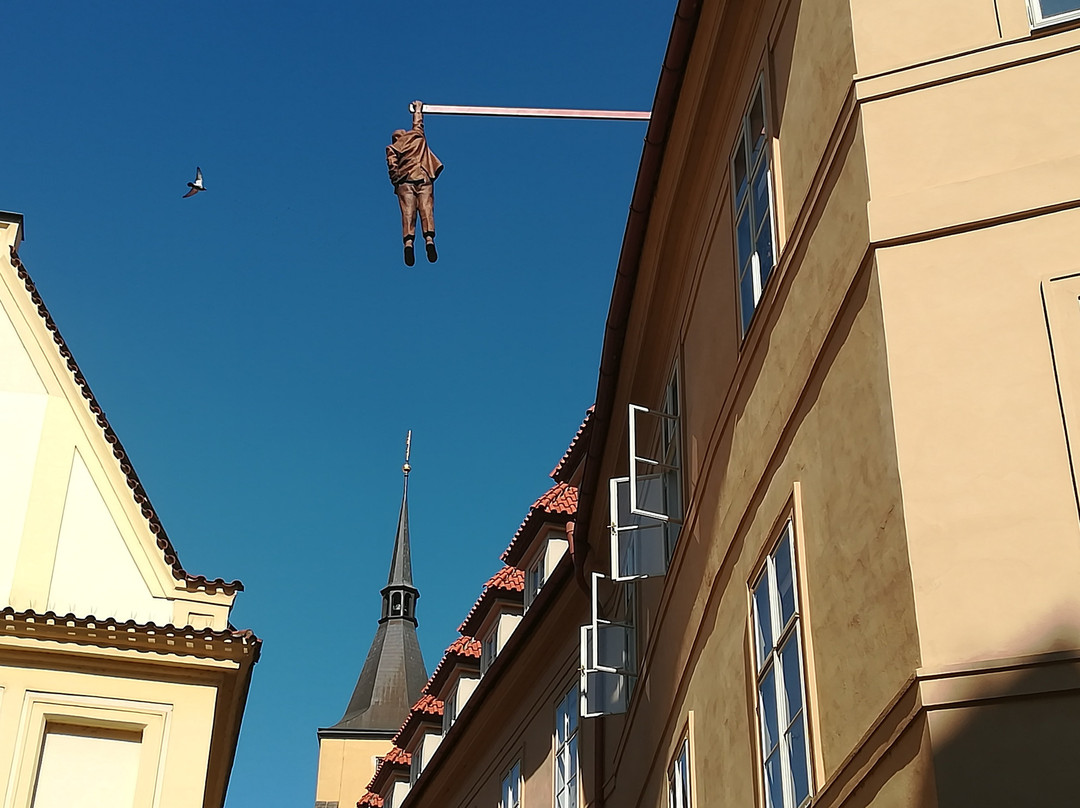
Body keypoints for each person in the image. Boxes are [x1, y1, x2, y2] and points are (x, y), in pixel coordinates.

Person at [387, 100, 443, 265]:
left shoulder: (392, 148)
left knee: (408, 213)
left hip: (406, 182)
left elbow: (392, 167)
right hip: (424, 177)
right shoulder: (416, 137)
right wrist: (418, 109)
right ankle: (429, 240)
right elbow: (418, 123)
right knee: (426, 210)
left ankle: (409, 243)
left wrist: (396, 180)